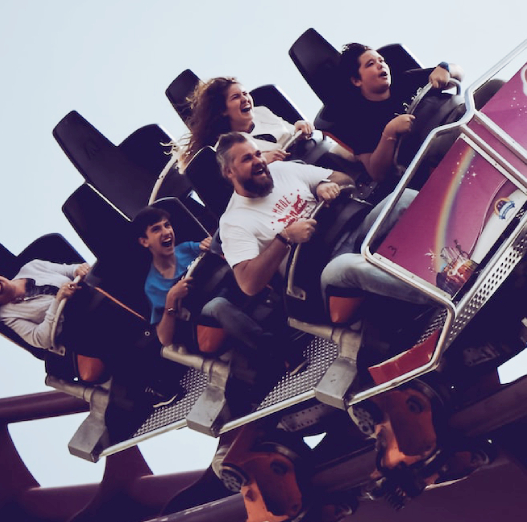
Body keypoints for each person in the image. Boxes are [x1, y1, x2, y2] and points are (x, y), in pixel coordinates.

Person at [203, 133, 431, 354]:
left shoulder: (282, 170)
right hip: (317, 278)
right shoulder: (233, 222)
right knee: (349, 266)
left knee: (404, 198)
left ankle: (455, 254)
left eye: (258, 154)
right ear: (229, 172)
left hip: (354, 230)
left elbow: (344, 180)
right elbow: (248, 283)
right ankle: (435, 293)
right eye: (247, 159)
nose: (258, 161)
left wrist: (324, 185)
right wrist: (285, 238)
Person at [0, 259, 175, 397]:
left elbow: (70, 270)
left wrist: (81, 269)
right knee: (88, 324)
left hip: (90, 297)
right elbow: (41, 339)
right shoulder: (8, 315)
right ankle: (150, 382)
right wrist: (58, 301)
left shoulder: (32, 267)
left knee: (112, 279)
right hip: (73, 328)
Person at [326, 44, 454, 182]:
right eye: (370, 64)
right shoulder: (360, 121)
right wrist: (390, 132)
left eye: (381, 61)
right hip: (436, 149)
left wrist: (446, 68)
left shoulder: (406, 80)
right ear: (357, 80)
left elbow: (456, 73)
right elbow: (377, 173)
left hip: (459, 115)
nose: (381, 65)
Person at [176, 75, 311, 169]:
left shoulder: (261, 112)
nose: (244, 99)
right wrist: (261, 161)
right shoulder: (226, 146)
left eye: (245, 94)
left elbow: (291, 132)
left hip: (306, 156)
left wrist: (300, 128)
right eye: (236, 97)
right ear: (223, 110)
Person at [135, 206, 206, 348]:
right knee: (218, 306)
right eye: (156, 229)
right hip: (200, 318)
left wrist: (209, 244)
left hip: (218, 293)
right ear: (144, 241)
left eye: (167, 225)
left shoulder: (186, 249)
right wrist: (171, 298)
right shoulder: (153, 286)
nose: (166, 232)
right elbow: (164, 339)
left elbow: (213, 249)